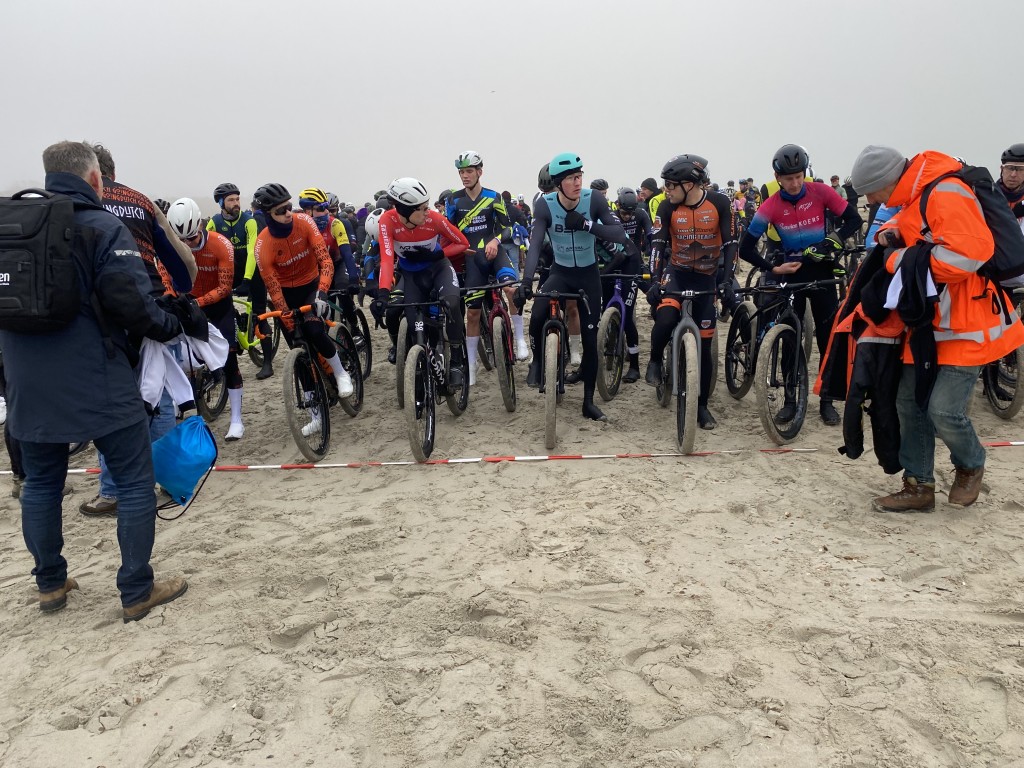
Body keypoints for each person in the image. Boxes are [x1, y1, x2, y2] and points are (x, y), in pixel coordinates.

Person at [3, 141, 190, 620]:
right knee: (132, 480)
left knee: (42, 481)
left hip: (27, 379)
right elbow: (131, 302)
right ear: (94, 180)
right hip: (95, 373)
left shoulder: (9, 229)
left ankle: (50, 584)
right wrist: (170, 326)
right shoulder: (102, 226)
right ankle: (135, 590)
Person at [850, 145, 1024, 512]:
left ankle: (971, 463)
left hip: (968, 324)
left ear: (886, 182)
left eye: (870, 191)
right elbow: (919, 223)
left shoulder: (944, 191)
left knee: (943, 410)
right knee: (908, 402)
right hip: (930, 322)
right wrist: (890, 231)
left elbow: (970, 254)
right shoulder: (917, 191)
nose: (868, 199)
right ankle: (918, 486)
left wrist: (901, 260)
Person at [78, 143, 197, 518]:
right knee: (159, 399)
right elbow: (182, 261)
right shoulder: (141, 201)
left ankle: (113, 490)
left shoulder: (74, 204)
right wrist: (180, 290)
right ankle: (164, 482)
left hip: (99, 318)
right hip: (150, 310)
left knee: (110, 402)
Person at [738, 143, 862, 426]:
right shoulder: (770, 205)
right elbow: (746, 249)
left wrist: (835, 240)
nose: (794, 183)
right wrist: (773, 267)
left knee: (827, 335)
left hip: (820, 271)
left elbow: (853, 219)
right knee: (790, 336)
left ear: (804, 173)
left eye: (799, 176)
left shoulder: (821, 192)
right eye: (788, 178)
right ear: (777, 177)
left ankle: (828, 399)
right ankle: (791, 399)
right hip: (790, 273)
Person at [515, 152, 628, 423]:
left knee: (591, 342)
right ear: (558, 183)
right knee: (539, 311)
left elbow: (619, 234)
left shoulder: (594, 200)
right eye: (570, 178)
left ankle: (588, 402)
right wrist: (526, 281)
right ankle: (538, 362)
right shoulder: (545, 205)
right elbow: (534, 245)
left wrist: (588, 225)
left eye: (579, 176)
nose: (577, 182)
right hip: (561, 272)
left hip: (589, 276)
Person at [644, 155, 737, 429]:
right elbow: (657, 246)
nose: (666, 190)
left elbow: (731, 243)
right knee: (666, 318)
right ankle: (654, 361)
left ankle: (702, 407)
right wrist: (654, 280)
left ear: (689, 183)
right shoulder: (666, 207)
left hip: (707, 278)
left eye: (671, 185)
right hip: (677, 273)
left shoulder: (720, 203)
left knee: (705, 347)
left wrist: (727, 280)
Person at [253, 183, 355, 425]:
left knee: (313, 329)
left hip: (311, 285)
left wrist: (321, 294)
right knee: (297, 349)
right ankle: (315, 415)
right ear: (268, 216)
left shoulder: (305, 223)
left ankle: (341, 373)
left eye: (289, 207)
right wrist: (285, 314)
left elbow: (326, 262)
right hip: (286, 294)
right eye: (281, 211)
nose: (289, 213)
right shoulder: (262, 245)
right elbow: (272, 286)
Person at [377, 178, 470, 388]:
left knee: (452, 303)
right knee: (413, 325)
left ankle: (456, 360)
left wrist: (437, 254)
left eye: (428, 207)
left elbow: (463, 242)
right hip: (412, 276)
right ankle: (420, 366)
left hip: (439, 269)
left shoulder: (434, 219)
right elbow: (386, 259)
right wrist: (383, 293)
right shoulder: (387, 221)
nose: (428, 212)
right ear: (405, 210)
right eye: (422, 208)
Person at [446, 151, 530, 383]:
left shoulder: (494, 197)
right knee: (472, 313)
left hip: (495, 254)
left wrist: (494, 240)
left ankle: (521, 339)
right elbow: (449, 231)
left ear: (479, 172)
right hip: (472, 260)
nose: (464, 176)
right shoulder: (453, 200)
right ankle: (471, 366)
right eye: (461, 172)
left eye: (469, 171)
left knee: (511, 290)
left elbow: (508, 228)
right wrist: (458, 248)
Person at [168, 198, 246, 440]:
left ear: (200, 226)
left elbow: (225, 288)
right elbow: (163, 276)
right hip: (189, 303)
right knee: (177, 357)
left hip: (217, 306)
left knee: (230, 359)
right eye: (182, 241)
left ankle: (237, 420)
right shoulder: (171, 247)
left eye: (191, 238)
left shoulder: (221, 245)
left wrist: (196, 303)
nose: (188, 245)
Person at [206, 183, 275, 380]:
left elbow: (253, 251)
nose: (236, 203)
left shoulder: (249, 221)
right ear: (221, 203)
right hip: (230, 273)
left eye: (237, 199)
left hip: (252, 273)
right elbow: (208, 251)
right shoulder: (214, 223)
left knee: (260, 315)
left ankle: (267, 362)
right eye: (231, 200)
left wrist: (246, 280)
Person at [298, 187, 362, 333]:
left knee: (343, 290)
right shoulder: (301, 227)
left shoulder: (335, 224)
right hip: (318, 269)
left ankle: (355, 327)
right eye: (321, 208)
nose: (326, 212)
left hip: (339, 264)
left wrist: (353, 278)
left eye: (326, 207)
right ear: (307, 211)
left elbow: (346, 253)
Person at [998, 143, 1024, 223]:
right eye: (1009, 168)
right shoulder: (987, 196)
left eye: (1020, 169)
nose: (1013, 174)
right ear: (1002, 169)